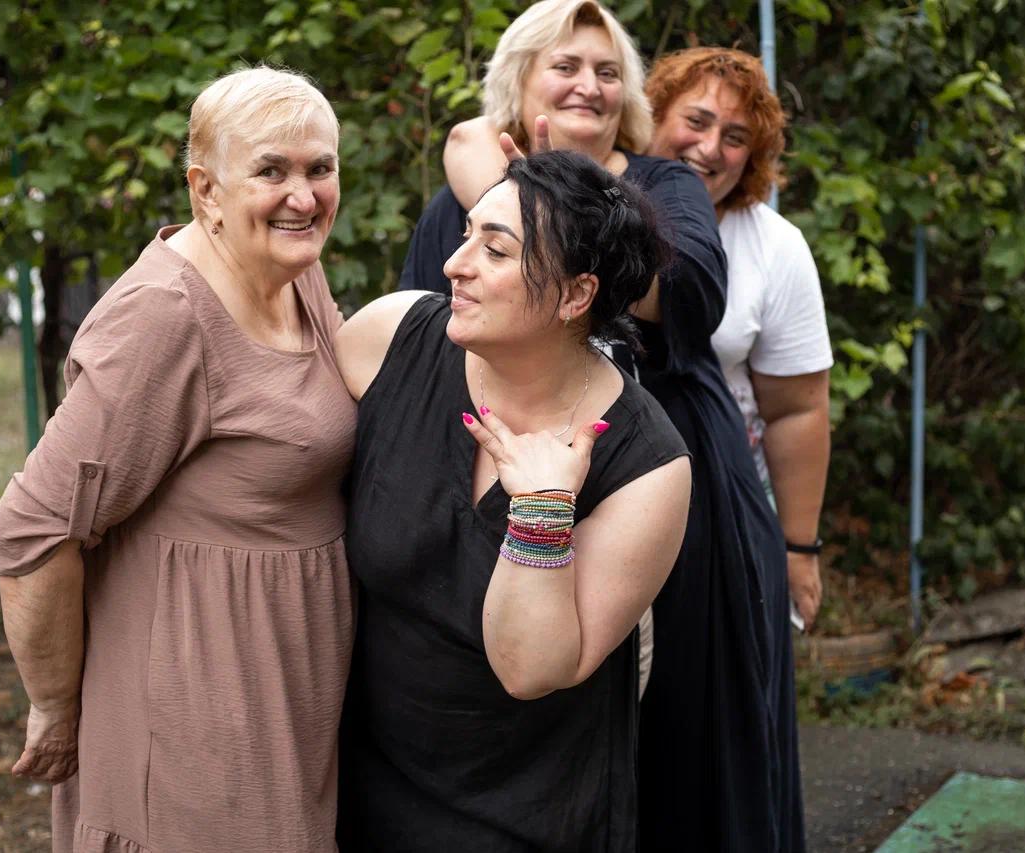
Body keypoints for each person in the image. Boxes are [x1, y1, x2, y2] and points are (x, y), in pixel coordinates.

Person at [405, 1, 805, 849]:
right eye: (565, 65)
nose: (588, 84)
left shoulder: (665, 184)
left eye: (608, 70)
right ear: (519, 82)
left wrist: (532, 210)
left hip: (671, 487)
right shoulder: (460, 201)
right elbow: (427, 338)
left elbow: (691, 293)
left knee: (682, 736)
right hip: (500, 482)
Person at [0, 67, 356, 852]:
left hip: (289, 697)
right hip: (198, 715)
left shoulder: (295, 269)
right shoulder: (165, 316)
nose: (303, 196)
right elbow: (33, 524)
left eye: (320, 168)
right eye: (271, 170)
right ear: (205, 189)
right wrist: (56, 704)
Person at [336, 150, 692, 852]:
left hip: (526, 816)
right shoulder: (391, 339)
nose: (454, 265)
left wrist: (541, 512)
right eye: (467, 234)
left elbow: (529, 667)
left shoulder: (647, 465)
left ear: (575, 295)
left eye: (495, 250)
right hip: (360, 796)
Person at [645, 46, 831, 630]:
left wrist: (798, 548)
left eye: (735, 137)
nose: (709, 148)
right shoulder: (598, 203)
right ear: (651, 115)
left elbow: (797, 409)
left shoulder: (774, 247)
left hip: (721, 503)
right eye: (696, 120)